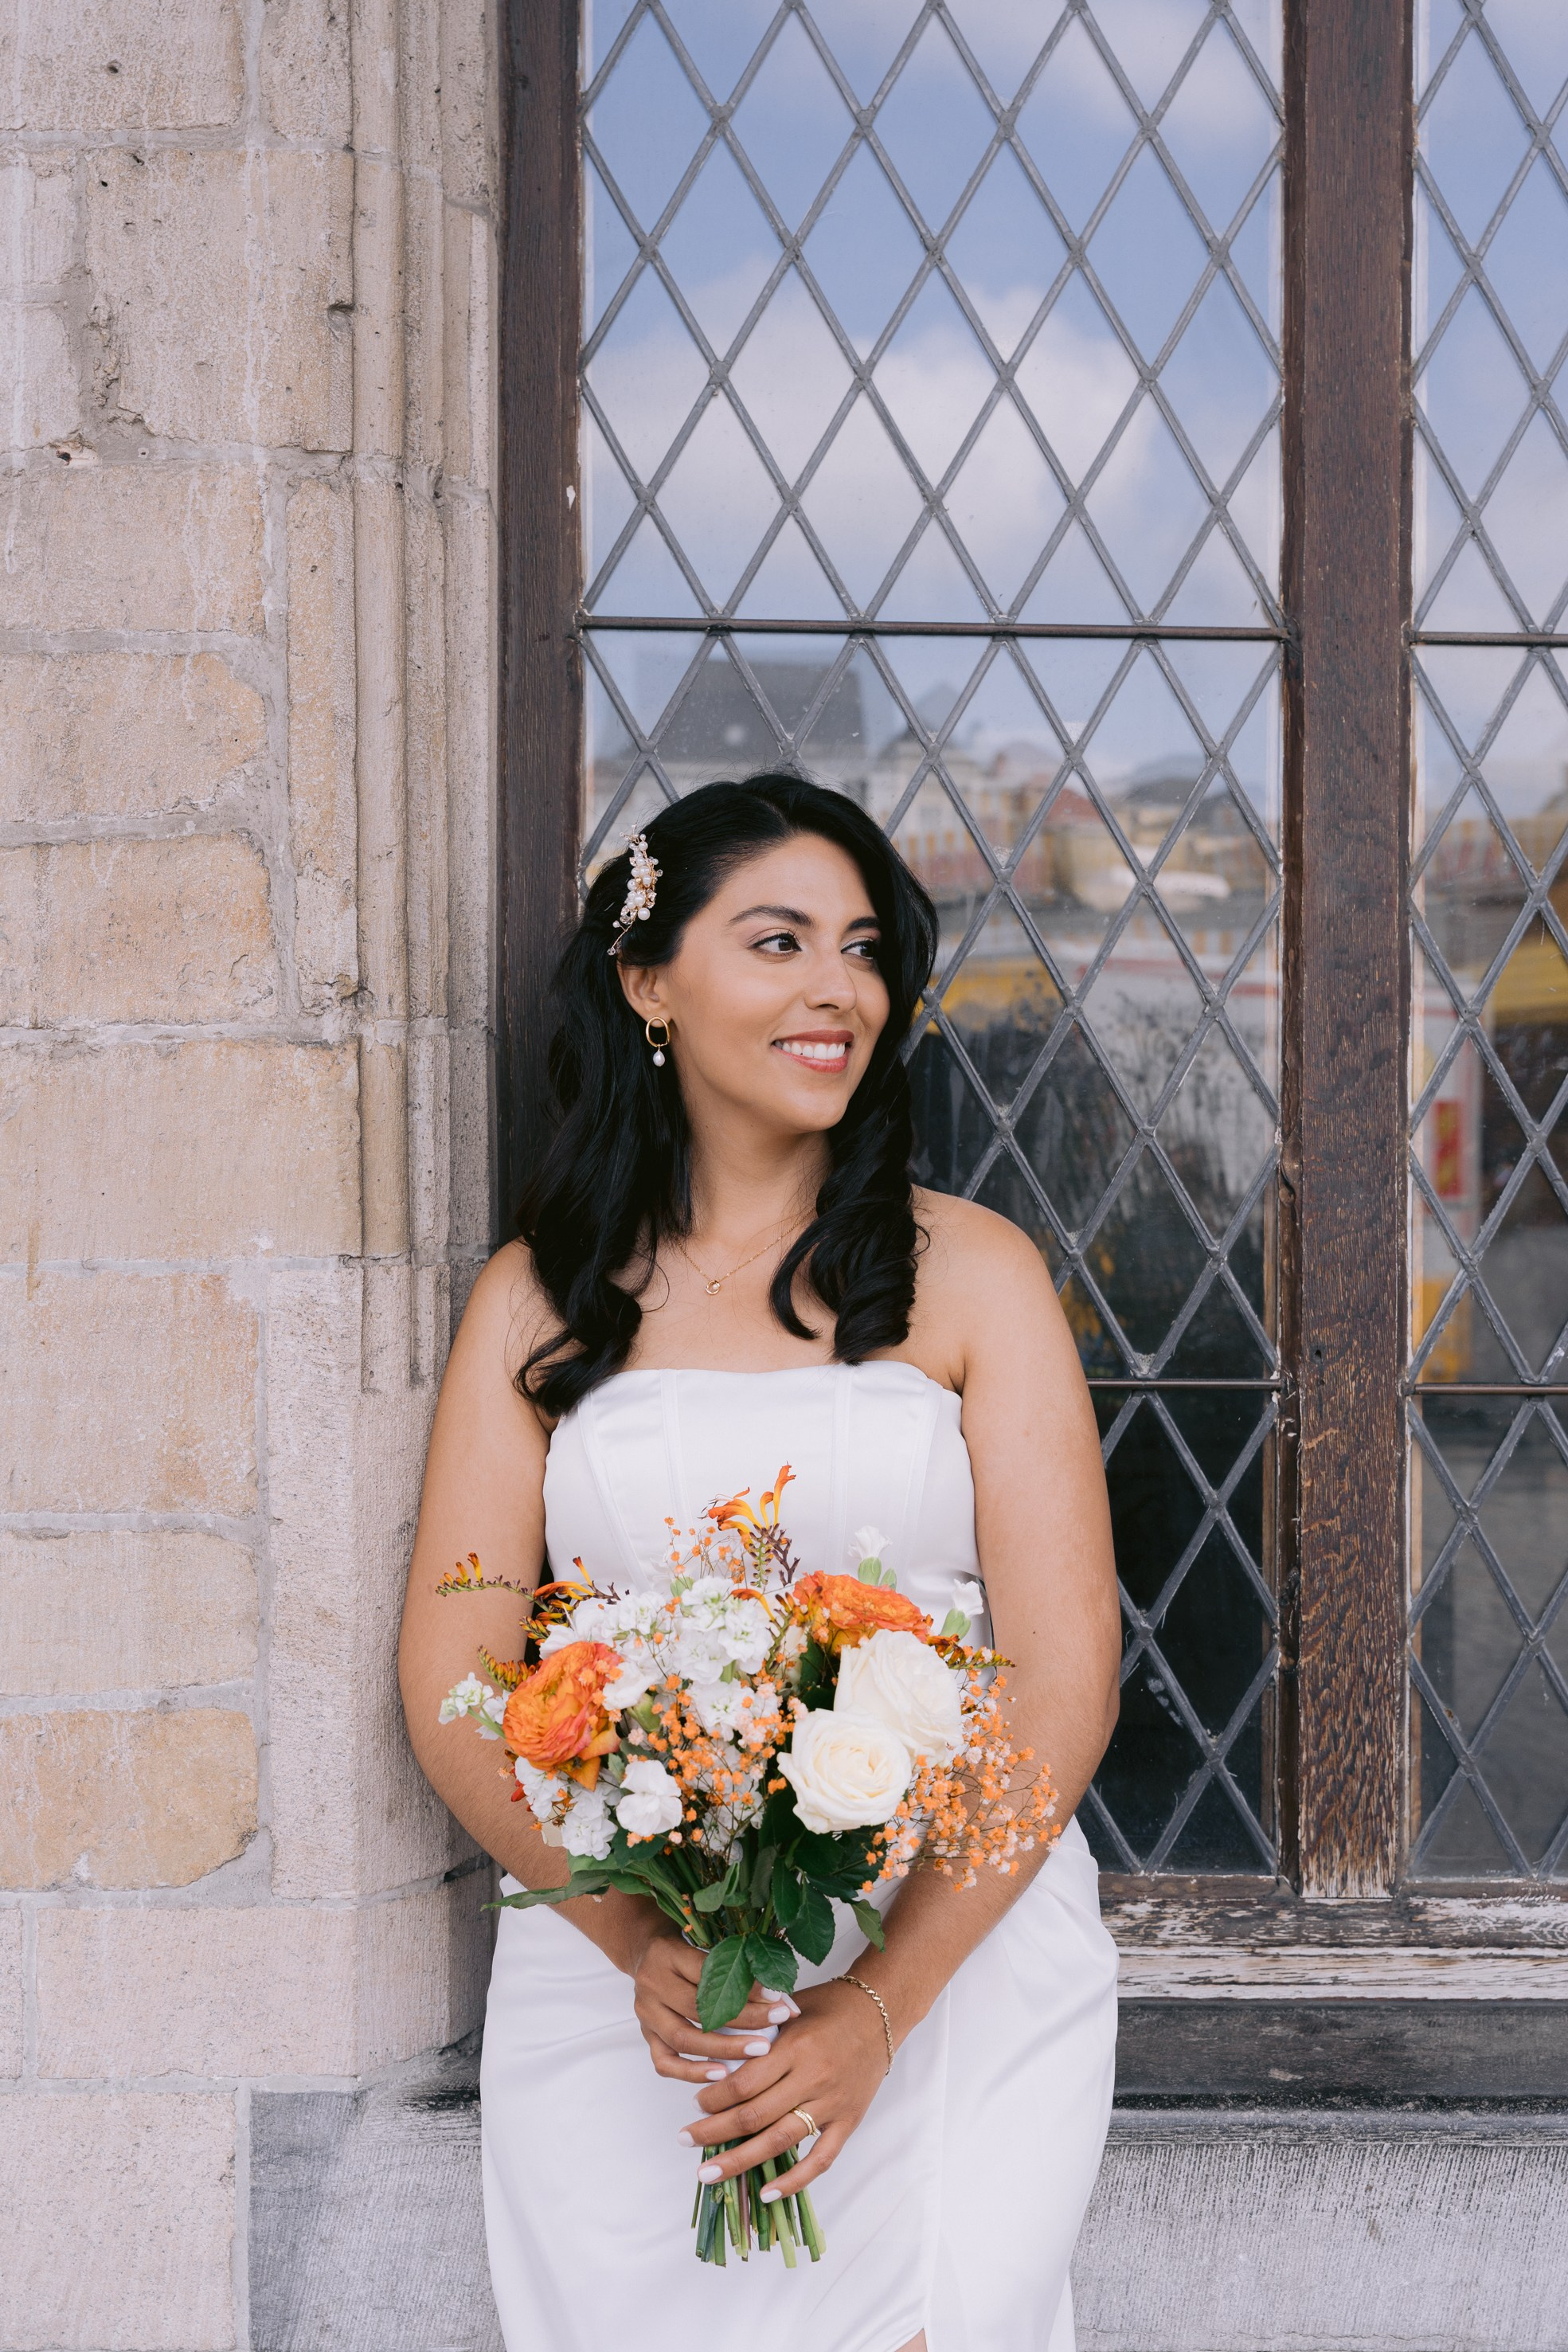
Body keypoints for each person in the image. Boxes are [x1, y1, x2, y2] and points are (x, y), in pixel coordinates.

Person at [399, 774, 1122, 2352]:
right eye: (778, 939)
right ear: (647, 983)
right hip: (637, 1998)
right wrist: (643, 1940)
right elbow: (455, 1680)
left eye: (862, 949)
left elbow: (1064, 1677)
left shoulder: (973, 1276)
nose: (834, 989)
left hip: (955, 1965)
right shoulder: (537, 1301)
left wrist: (876, 2004)